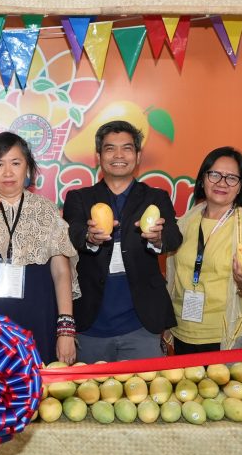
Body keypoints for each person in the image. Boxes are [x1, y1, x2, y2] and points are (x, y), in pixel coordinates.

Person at [0, 131, 79, 364]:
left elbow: (62, 272)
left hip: (38, 316)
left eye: (16, 163)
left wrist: (66, 328)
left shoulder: (46, 209)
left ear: (28, 169)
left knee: (38, 393)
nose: (8, 172)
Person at [63, 120, 182, 363]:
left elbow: (174, 236)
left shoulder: (156, 197)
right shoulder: (79, 197)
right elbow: (72, 232)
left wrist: (158, 239)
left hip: (141, 325)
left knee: (147, 397)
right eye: (110, 149)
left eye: (127, 148)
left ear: (138, 156)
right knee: (89, 398)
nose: (119, 155)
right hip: (90, 325)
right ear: (99, 156)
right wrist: (89, 237)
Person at [167, 147, 242, 353]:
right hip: (183, 330)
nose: (222, 183)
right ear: (202, 179)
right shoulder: (185, 222)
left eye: (231, 178)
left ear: (240, 187)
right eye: (215, 174)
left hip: (229, 333)